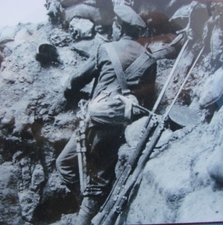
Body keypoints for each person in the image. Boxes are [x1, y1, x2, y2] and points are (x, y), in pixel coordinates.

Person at [56, 5, 157, 224]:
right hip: (116, 123)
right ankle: (89, 207)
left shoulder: (106, 49)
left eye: (115, 25)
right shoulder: (150, 61)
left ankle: (85, 214)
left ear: (119, 27)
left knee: (66, 165)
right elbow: (147, 101)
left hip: (96, 117)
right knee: (91, 178)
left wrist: (68, 87)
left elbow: (76, 80)